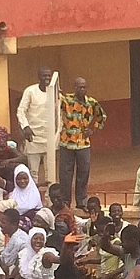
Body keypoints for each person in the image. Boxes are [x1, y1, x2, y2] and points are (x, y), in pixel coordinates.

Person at [59, 78, 107, 209]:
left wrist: (93, 129)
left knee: (83, 172)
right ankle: (65, 202)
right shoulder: (66, 100)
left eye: (84, 87)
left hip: (83, 143)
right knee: (65, 173)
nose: (82, 89)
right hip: (66, 142)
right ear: (74, 87)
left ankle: (81, 201)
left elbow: (102, 116)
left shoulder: (92, 102)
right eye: (79, 87)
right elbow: (54, 102)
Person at [17, 67, 53, 183]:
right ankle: (33, 194)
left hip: (50, 137)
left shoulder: (54, 92)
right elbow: (21, 110)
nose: (47, 78)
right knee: (33, 172)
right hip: (33, 136)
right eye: (44, 75)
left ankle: (50, 195)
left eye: (49, 75)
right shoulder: (30, 91)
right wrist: (25, 127)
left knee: (50, 172)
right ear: (39, 77)